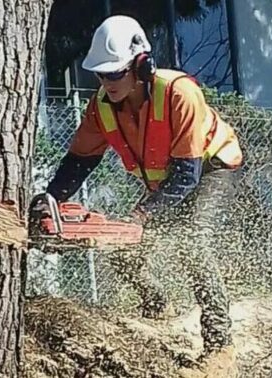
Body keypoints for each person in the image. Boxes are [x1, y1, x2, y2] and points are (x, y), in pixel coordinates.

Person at [41, 15, 243, 363]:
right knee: (117, 242)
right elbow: (78, 161)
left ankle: (219, 344)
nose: (107, 81)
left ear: (141, 65)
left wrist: (143, 214)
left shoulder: (179, 93)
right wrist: (49, 199)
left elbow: (187, 176)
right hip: (168, 181)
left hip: (211, 167)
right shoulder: (100, 108)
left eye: (115, 73)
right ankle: (157, 303)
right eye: (101, 74)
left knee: (191, 238)